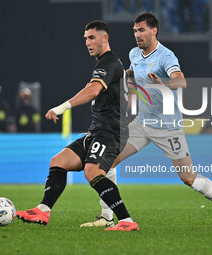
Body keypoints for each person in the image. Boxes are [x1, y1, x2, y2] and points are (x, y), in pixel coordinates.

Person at [81, 12, 212, 228]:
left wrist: (163, 82)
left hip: (167, 127)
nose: (137, 35)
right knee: (107, 162)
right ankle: (106, 216)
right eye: (135, 31)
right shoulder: (134, 53)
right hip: (142, 124)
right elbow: (130, 74)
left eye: (141, 30)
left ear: (154, 31)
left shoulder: (166, 57)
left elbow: (181, 82)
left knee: (188, 178)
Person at [16, 20, 139, 231]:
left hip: (110, 132)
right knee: (58, 161)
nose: (87, 43)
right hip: (97, 130)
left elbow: (92, 91)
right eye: (85, 39)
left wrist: (61, 108)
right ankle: (43, 210)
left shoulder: (108, 62)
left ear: (105, 38)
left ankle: (126, 221)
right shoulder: (109, 64)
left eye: (92, 37)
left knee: (92, 172)